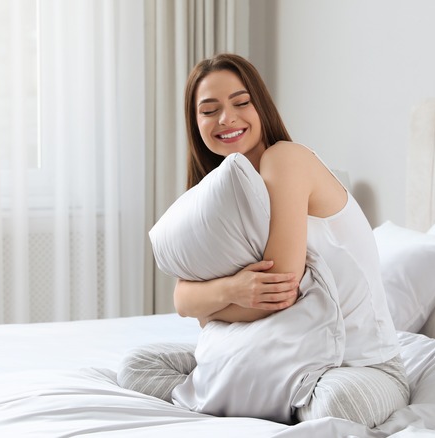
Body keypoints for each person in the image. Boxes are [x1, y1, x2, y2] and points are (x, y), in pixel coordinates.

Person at [117, 53, 409, 428]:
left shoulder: (285, 160)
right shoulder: (218, 196)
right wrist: (228, 291)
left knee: (341, 405)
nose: (227, 118)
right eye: (209, 110)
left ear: (262, 106)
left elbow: (275, 296)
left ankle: (239, 395)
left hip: (350, 365)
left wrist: (209, 301)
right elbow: (183, 299)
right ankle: (251, 394)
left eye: (241, 102)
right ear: (195, 124)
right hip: (267, 359)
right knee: (137, 367)